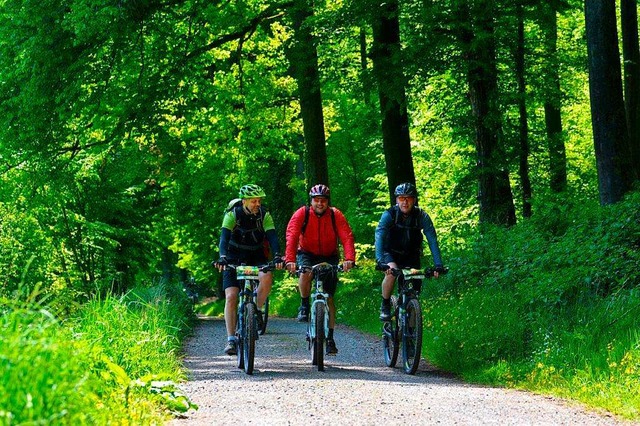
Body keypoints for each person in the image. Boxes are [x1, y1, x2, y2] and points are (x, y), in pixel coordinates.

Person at [284, 184, 356, 355]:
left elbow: (346, 236)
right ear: (311, 201)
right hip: (307, 252)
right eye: (316, 200)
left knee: (329, 299)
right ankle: (303, 305)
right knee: (305, 272)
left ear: (327, 202)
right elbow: (292, 235)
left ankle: (330, 338)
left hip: (329, 255)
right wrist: (290, 260)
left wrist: (349, 259)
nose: (320, 203)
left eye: (323, 200)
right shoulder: (302, 213)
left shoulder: (335, 215)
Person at [215, 184, 284, 355]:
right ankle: (231, 339)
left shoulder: (264, 215)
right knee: (231, 296)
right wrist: (222, 257)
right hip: (233, 257)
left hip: (256, 256)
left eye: (259, 200)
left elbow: (273, 237)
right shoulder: (232, 215)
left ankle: (256, 310)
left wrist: (277, 256)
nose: (257, 204)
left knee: (266, 276)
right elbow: (224, 239)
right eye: (254, 201)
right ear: (244, 201)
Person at [375, 182, 445, 321]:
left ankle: (412, 330)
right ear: (397, 200)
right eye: (401, 198)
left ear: (414, 200)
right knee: (391, 273)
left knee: (413, 294)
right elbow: (380, 235)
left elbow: (432, 239)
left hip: (412, 255)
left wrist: (438, 264)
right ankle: (386, 304)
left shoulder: (421, 216)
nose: (405, 202)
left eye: (408, 198)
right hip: (390, 253)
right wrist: (380, 261)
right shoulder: (390, 214)